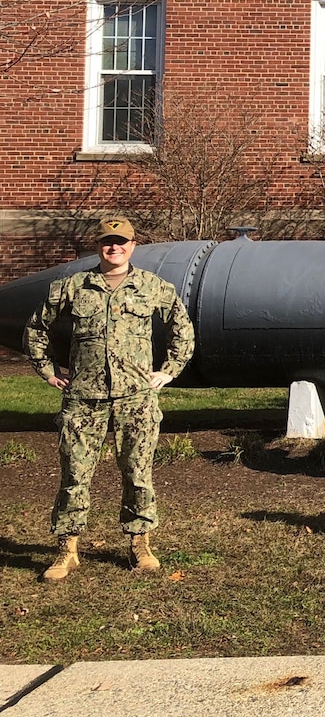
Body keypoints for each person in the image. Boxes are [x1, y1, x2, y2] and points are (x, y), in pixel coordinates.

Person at [23, 217, 195, 581]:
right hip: (84, 398)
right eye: (106, 242)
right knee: (75, 474)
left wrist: (169, 370)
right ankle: (67, 549)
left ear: (133, 246)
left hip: (136, 398)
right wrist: (48, 369)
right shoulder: (71, 287)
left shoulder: (152, 287)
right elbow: (36, 328)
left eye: (120, 241)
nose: (113, 247)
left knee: (137, 474)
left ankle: (139, 543)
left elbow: (182, 328)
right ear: (97, 246)